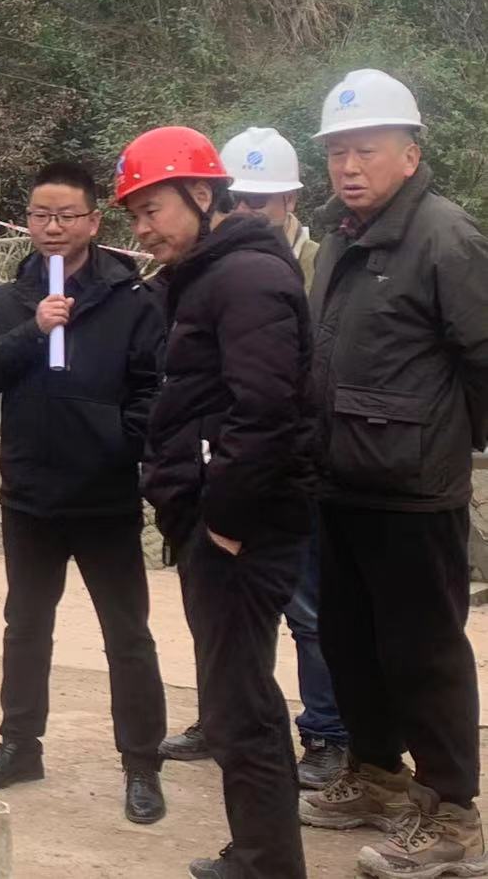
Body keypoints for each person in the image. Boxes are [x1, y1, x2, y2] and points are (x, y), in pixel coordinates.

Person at [298, 69, 488, 879]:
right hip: (341, 479)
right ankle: (376, 776)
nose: (348, 166)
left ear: (410, 154)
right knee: (351, 641)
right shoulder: (343, 235)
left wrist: (447, 445)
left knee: (424, 654)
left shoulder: (446, 236)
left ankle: (453, 817)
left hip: (414, 490)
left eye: (366, 150)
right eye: (337, 151)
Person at [118, 126, 312, 879]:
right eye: (134, 215)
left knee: (242, 705)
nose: (143, 229)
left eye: (154, 209)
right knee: (237, 696)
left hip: (242, 527)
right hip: (215, 516)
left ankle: (268, 865)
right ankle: (257, 850)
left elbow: (266, 412)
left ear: (202, 194)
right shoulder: (206, 273)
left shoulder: (246, 278)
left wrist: (224, 522)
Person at [0, 161, 169, 826]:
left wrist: (115, 445)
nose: (51, 227)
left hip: (104, 498)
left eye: (66, 215)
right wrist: (34, 329)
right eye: (39, 215)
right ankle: (20, 746)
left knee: (127, 635)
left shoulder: (131, 299)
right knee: (26, 627)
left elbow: (152, 394)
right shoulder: (11, 298)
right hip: (29, 496)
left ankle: (141, 764)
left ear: (93, 221)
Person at [162, 127, 347, 791]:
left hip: (288, 467)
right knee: (226, 618)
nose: (247, 210)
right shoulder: (208, 263)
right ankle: (222, 717)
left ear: (291, 199)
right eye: (239, 198)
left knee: (307, 612)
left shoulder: (319, 264)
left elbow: (278, 393)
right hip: (229, 465)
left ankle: (326, 733)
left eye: (262, 200)